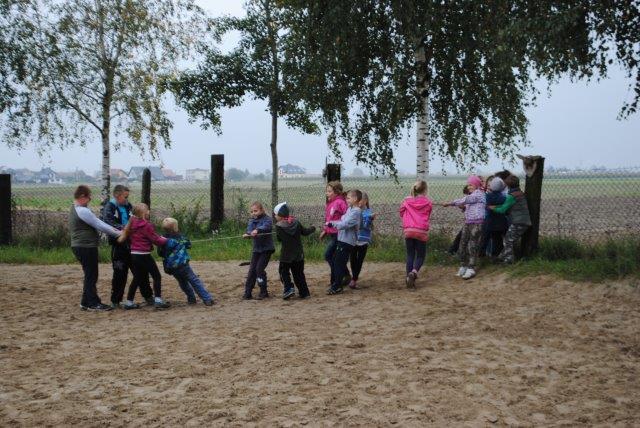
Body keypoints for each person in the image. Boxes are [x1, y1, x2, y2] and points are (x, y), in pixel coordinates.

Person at [69, 185, 122, 311]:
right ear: (82, 196)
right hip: (85, 246)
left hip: (80, 246)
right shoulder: (82, 211)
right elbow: (100, 225)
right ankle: (93, 303)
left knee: (90, 274)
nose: (90, 200)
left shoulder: (74, 208)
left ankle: (85, 302)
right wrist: (119, 233)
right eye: (89, 197)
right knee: (91, 275)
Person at [102, 185, 152, 309]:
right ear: (116, 195)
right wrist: (125, 229)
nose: (127, 199)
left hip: (133, 244)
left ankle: (148, 296)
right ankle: (116, 300)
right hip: (119, 245)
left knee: (141, 271)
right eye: (125, 197)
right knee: (120, 273)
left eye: (127, 197)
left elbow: (135, 218)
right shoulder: (110, 207)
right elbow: (108, 222)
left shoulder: (128, 206)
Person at [118, 203, 171, 309]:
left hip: (134, 254)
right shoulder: (147, 225)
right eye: (147, 210)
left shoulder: (132, 222)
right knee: (156, 276)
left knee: (137, 278)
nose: (149, 211)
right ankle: (158, 300)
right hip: (144, 255)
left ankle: (129, 302)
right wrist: (167, 241)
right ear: (143, 213)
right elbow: (155, 239)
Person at [158, 217, 214, 306]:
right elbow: (189, 245)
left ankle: (191, 299)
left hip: (171, 267)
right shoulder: (181, 237)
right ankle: (207, 299)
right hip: (183, 265)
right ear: (175, 227)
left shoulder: (162, 240)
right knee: (194, 280)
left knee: (183, 283)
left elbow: (160, 253)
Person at [442, 175, 486, 280]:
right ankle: (463, 265)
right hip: (468, 223)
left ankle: (471, 268)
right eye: (468, 185)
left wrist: (450, 203)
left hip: (477, 224)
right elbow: (467, 205)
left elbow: (466, 199)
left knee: (472, 245)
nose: (469, 187)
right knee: (462, 244)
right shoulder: (472, 195)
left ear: (476, 185)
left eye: (471, 185)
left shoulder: (479, 194)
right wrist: (463, 207)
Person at [273, 202, 316, 299]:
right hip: (298, 254)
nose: (275, 216)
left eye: (275, 214)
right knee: (299, 274)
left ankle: (288, 288)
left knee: (283, 272)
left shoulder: (279, 226)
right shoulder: (296, 222)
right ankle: (304, 293)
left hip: (286, 255)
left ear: (280, 215)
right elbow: (305, 232)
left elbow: (279, 239)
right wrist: (312, 228)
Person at [488, 175, 532, 264]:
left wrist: (492, 208)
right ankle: (501, 257)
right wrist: (497, 206)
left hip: (518, 222)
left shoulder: (511, 196)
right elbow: (507, 205)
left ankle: (508, 260)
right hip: (524, 220)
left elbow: (503, 210)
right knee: (511, 239)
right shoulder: (520, 193)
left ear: (508, 185)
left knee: (508, 240)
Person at [325, 189, 362, 295]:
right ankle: (336, 284)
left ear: (355, 199)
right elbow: (342, 220)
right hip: (342, 239)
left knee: (339, 263)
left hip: (347, 241)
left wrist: (332, 224)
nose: (346, 200)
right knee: (336, 261)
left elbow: (345, 224)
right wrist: (333, 222)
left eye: (348, 198)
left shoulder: (356, 211)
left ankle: (337, 286)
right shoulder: (350, 209)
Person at [399, 180, 433, 288]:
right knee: (421, 255)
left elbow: (401, 212)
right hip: (421, 231)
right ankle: (413, 273)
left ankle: (408, 279)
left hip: (409, 230)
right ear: (425, 190)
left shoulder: (406, 200)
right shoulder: (428, 202)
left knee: (410, 255)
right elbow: (428, 213)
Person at [241, 201, 275, 300]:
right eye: (252, 211)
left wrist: (257, 230)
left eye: (255, 211)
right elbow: (250, 230)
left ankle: (264, 292)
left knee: (259, 269)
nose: (253, 213)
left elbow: (266, 227)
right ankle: (248, 292)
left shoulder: (267, 219)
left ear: (261, 210)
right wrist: (248, 234)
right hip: (256, 249)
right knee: (252, 270)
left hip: (266, 249)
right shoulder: (251, 221)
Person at [320, 181, 351, 288]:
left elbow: (347, 216)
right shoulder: (330, 203)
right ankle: (340, 277)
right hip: (332, 234)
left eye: (329, 191)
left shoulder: (340, 202)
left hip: (339, 234)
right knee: (333, 257)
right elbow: (329, 219)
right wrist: (325, 230)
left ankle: (339, 278)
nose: (327, 193)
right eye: (326, 191)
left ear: (336, 192)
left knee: (329, 255)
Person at [349, 192, 373, 289]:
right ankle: (354, 277)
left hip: (363, 240)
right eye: (357, 200)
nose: (358, 202)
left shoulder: (368, 212)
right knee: (352, 259)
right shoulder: (353, 210)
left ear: (365, 201)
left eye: (360, 200)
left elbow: (366, 226)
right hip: (354, 240)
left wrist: (369, 219)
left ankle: (354, 279)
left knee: (359, 261)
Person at [484, 177, 508, 259]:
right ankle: (503, 254)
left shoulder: (488, 196)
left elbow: (486, 207)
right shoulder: (504, 197)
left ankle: (494, 255)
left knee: (495, 239)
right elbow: (506, 209)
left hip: (491, 222)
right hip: (502, 222)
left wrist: (491, 207)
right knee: (503, 239)